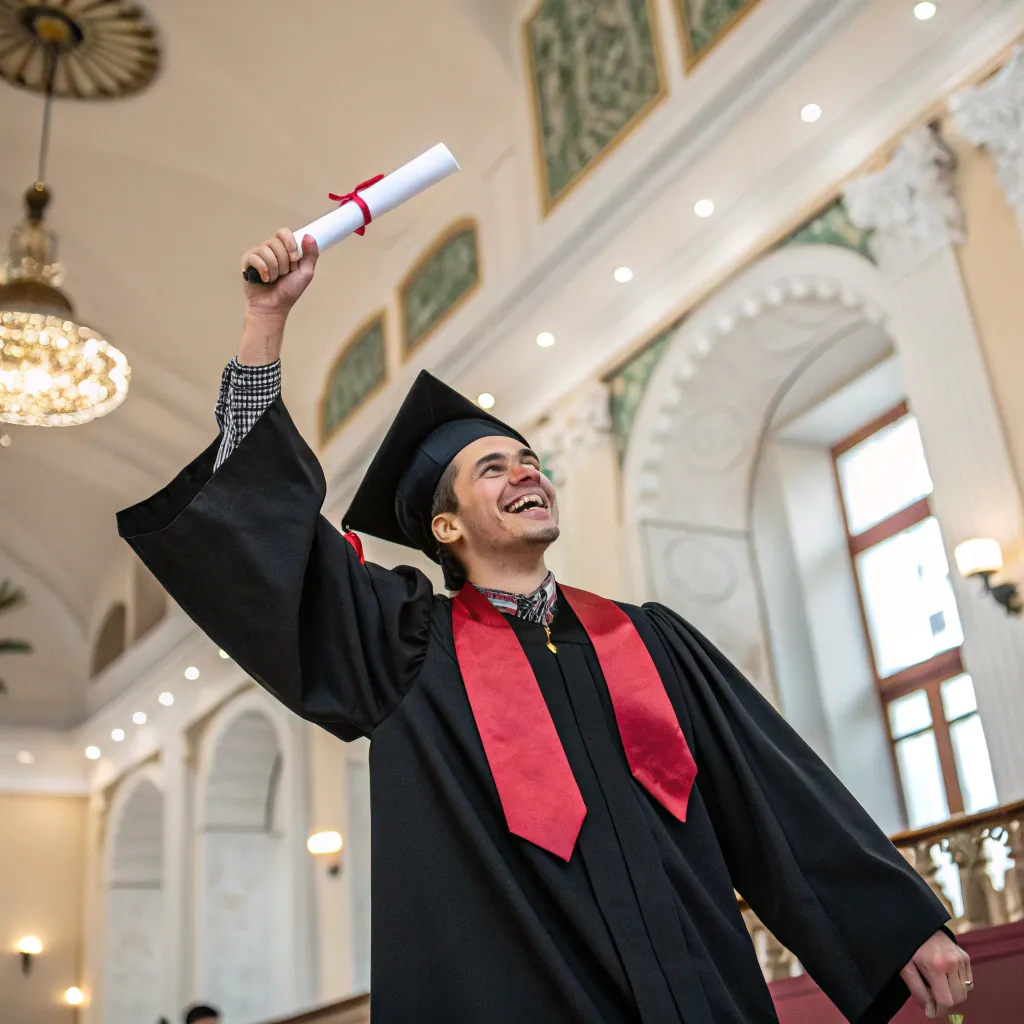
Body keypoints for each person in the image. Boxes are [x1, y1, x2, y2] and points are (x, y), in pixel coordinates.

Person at [118, 229, 973, 1024]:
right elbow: (274, 541)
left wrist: (897, 923)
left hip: (700, 995)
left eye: (528, 459)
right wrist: (265, 324)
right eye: (491, 468)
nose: (526, 470)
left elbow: (772, 792)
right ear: (444, 527)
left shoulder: (652, 641)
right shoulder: (405, 649)